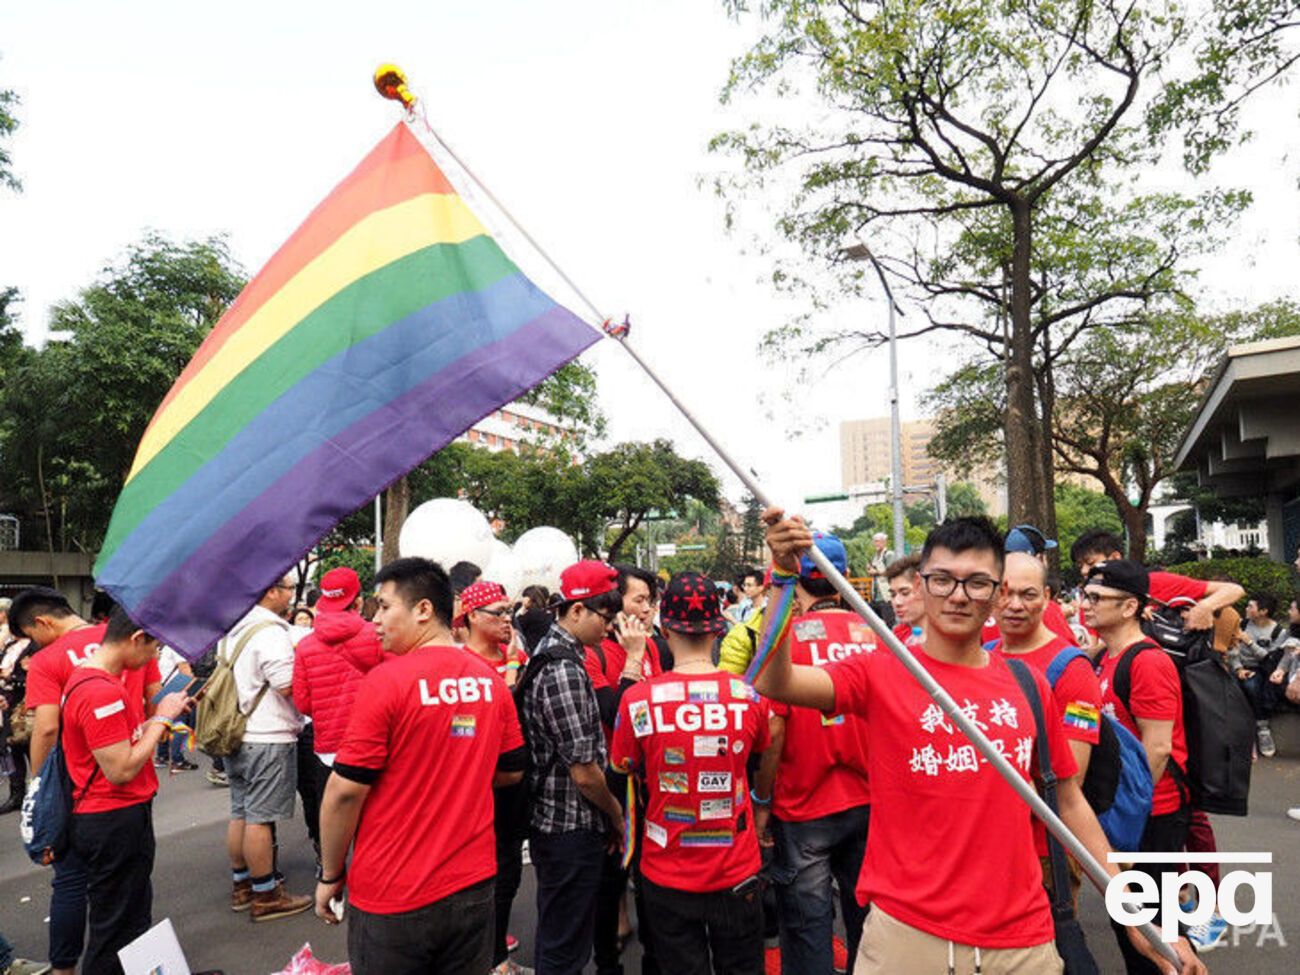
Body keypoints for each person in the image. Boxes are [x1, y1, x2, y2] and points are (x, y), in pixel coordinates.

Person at [754, 514, 1201, 975]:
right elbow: (774, 679)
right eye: (942, 580)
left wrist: (1134, 913)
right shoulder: (881, 671)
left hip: (1021, 942)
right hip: (906, 940)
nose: (958, 595)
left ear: (996, 593)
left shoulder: (1028, 685)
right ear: (922, 585)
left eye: (977, 583)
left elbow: (1068, 804)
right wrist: (782, 576)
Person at [315, 558, 525, 975]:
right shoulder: (489, 680)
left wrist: (331, 874)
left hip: (395, 893)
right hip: (473, 888)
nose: (374, 620)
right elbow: (511, 769)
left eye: (384, 606)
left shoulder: (387, 681)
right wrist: (459, 775)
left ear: (423, 610)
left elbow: (344, 791)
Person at [610, 571, 771, 975]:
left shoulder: (636, 699)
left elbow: (621, 767)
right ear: (719, 628)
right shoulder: (749, 695)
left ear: (665, 628)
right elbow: (758, 758)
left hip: (666, 872)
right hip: (737, 869)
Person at [12, 587, 158, 975]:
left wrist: (42, 785)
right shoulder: (107, 668)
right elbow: (126, 756)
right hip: (117, 798)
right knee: (118, 912)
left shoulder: (57, 663)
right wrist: (157, 725)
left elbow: (46, 730)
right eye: (154, 649)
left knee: (88, 889)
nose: (154, 656)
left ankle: (65, 967)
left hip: (84, 791)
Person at [1082, 560, 1199, 973]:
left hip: (1154, 816)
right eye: (1085, 595)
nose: (1086, 605)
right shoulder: (1102, 660)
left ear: (1130, 606)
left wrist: (1124, 814)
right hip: (1129, 814)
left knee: (1157, 933)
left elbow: (1159, 748)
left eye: (1097, 598)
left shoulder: (1147, 662)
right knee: (1132, 924)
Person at [60, 606, 191, 975]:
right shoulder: (101, 692)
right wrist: (162, 717)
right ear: (136, 638)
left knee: (129, 919)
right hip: (112, 817)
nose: (155, 658)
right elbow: (120, 768)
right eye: (154, 649)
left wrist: (160, 719)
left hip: (113, 814)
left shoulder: (97, 681)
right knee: (115, 929)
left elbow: (124, 743)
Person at [764, 533, 872, 974]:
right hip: (870, 802)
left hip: (803, 807)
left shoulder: (783, 644)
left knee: (808, 927)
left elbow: (774, 729)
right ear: (844, 579)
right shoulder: (877, 635)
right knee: (869, 921)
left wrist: (761, 801)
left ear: (801, 584)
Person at [519, 560, 627, 975]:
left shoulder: (557, 652)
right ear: (576, 610)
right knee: (565, 947)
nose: (610, 626)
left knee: (563, 932)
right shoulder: (563, 668)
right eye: (605, 616)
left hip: (561, 823)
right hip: (567, 826)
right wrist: (616, 816)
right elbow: (583, 771)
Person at [991, 552, 1105, 905]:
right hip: (984, 846)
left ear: (1047, 598)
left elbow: (1072, 777)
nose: (1014, 605)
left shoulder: (1073, 670)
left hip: (1043, 849)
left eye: (1028, 595)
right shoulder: (983, 654)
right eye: (1004, 593)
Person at [222, 574, 311, 921]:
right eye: (289, 589)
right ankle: (266, 895)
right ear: (272, 591)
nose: (292, 595)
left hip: (237, 733)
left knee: (241, 812)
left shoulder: (235, 628)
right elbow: (287, 686)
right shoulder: (270, 632)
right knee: (260, 818)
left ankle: (242, 885)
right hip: (267, 735)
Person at [459, 580, 532, 975]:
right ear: (471, 617)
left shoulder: (514, 654)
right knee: (481, 875)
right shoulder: (464, 666)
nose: (508, 620)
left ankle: (496, 955)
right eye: (498, 613)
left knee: (508, 871)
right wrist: (514, 670)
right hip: (480, 787)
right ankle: (488, 960)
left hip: (515, 783)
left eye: (510, 612)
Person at [291, 567, 385, 869]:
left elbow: (303, 702)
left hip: (328, 747)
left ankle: (330, 871)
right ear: (357, 601)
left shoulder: (305, 645)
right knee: (374, 817)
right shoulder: (376, 636)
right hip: (373, 745)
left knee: (331, 814)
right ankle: (370, 874)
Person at [1228, 592, 1288, 757]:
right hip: (1239, 666)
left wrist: (1250, 642)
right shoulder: (1242, 624)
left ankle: (1262, 728)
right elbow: (1233, 649)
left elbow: (1269, 658)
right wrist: (1238, 668)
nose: (1246, 609)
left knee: (1252, 686)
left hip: (1261, 668)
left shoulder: (1277, 631)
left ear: (1263, 611)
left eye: (1250, 606)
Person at [884, 555, 924, 646]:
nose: (897, 602)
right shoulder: (896, 637)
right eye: (893, 595)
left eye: (905, 593)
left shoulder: (947, 639)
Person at [867, 533, 896, 627]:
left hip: (885, 596)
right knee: (874, 625)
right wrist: (870, 569)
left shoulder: (889, 554)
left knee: (889, 625)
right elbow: (875, 571)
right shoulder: (875, 556)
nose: (875, 544)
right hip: (875, 596)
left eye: (878, 541)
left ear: (884, 542)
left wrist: (876, 572)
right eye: (874, 541)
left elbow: (891, 572)